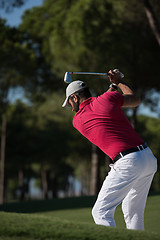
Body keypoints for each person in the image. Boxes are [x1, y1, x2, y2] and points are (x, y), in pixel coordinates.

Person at [62, 69, 157, 230]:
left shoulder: (78, 120)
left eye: (70, 103)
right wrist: (118, 82)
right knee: (132, 212)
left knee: (101, 212)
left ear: (75, 97)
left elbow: (99, 106)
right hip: (148, 158)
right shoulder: (107, 99)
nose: (71, 108)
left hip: (128, 162)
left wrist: (114, 84)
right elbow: (134, 100)